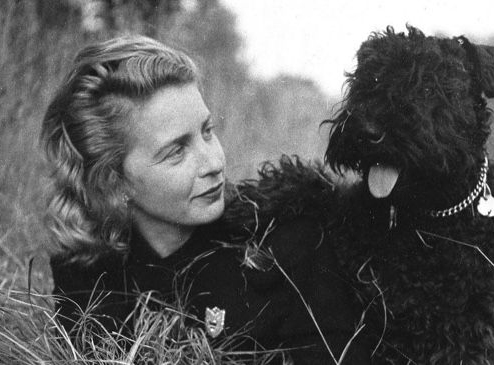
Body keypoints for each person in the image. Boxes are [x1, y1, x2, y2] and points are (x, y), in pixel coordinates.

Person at [41, 35, 370, 364]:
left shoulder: (288, 244)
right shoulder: (90, 275)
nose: (213, 162)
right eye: (176, 151)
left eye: (208, 130)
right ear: (113, 181)